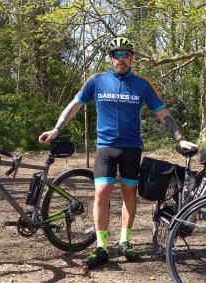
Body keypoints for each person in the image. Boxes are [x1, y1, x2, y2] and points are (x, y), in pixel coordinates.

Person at [39, 36, 197, 269]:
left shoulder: (143, 84)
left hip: (132, 148)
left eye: (125, 54)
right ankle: (101, 246)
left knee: (129, 193)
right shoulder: (97, 81)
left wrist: (180, 139)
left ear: (132, 58)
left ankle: (125, 241)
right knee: (102, 191)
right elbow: (74, 106)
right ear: (110, 58)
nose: (120, 59)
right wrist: (56, 129)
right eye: (116, 55)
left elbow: (162, 113)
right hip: (106, 147)